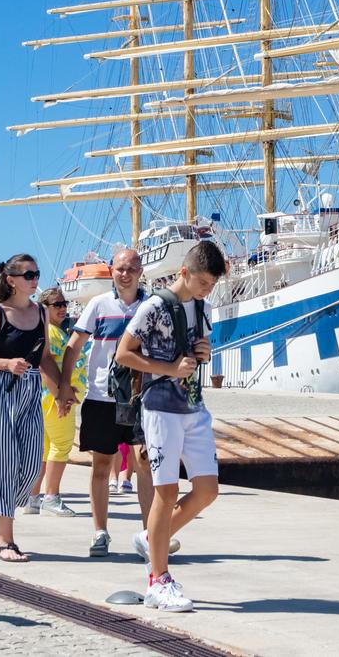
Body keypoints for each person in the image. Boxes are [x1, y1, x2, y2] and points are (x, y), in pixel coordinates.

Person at [116, 240, 228, 612]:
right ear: (184, 272)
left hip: (193, 406)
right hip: (160, 407)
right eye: (203, 282)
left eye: (211, 284)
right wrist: (169, 368)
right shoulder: (153, 307)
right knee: (165, 493)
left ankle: (152, 539)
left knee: (207, 490)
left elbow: (198, 347)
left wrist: (203, 352)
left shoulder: (202, 307)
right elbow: (124, 354)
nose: (206, 290)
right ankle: (158, 581)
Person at [0, 254, 67, 562]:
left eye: (37, 274)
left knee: (33, 464)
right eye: (29, 275)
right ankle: (6, 540)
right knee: (2, 465)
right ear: (11, 280)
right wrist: (6, 364)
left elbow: (45, 357)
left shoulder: (41, 313)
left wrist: (61, 390)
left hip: (31, 390)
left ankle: (3, 523)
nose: (35, 279)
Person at [59, 248, 154, 558]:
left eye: (131, 268)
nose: (125, 274)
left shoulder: (152, 306)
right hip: (102, 397)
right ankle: (100, 532)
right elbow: (74, 345)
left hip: (141, 399)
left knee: (145, 465)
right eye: (120, 269)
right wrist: (64, 385)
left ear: (140, 272)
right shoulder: (98, 305)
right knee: (101, 465)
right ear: (112, 271)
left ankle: (150, 535)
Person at [29, 287, 81, 517]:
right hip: (53, 398)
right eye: (56, 304)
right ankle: (51, 496)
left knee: (45, 449)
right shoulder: (50, 331)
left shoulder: (51, 330)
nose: (62, 308)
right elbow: (44, 364)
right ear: (44, 308)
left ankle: (32, 497)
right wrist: (61, 396)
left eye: (64, 303)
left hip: (48, 398)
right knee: (61, 445)